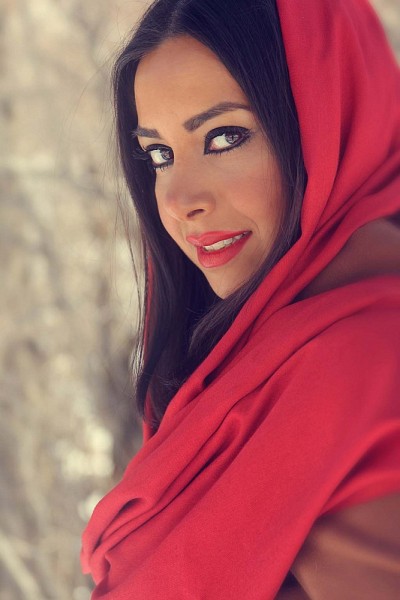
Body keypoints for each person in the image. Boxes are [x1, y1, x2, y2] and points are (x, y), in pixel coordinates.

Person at [81, 0, 400, 597]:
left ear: (328, 123)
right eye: (159, 154)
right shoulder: (238, 368)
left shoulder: (367, 367)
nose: (179, 201)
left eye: (224, 137)